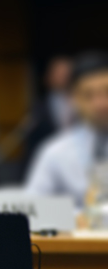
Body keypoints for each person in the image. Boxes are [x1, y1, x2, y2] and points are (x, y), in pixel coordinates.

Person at [25, 52, 108, 208]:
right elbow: (33, 207)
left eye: (107, 92)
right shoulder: (54, 151)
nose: (101, 103)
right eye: (88, 95)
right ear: (74, 99)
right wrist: (76, 218)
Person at [22, 56, 75, 173]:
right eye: (59, 73)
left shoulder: (83, 102)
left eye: (66, 73)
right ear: (49, 76)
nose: (63, 77)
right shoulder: (38, 108)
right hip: (49, 165)